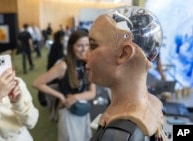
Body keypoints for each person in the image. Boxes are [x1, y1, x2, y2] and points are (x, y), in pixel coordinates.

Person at [84, 6, 168, 141]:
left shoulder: (119, 135)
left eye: (93, 46)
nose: (84, 56)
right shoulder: (154, 105)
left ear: (124, 54)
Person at [33, 30, 96, 141]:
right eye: (80, 46)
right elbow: (37, 83)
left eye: (87, 45)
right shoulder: (63, 65)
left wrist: (75, 97)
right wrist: (60, 96)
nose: (84, 49)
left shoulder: (87, 63)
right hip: (68, 112)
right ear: (71, 46)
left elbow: (92, 93)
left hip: (82, 110)